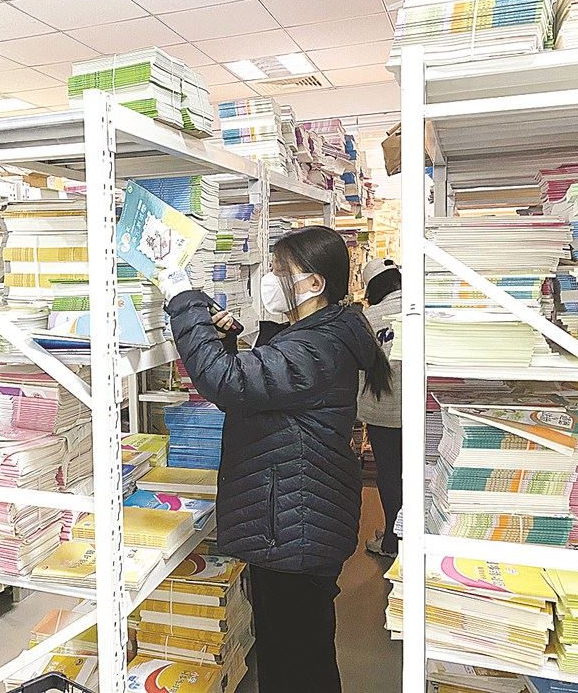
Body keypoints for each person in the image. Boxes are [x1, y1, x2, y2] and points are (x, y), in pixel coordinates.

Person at [159, 226, 393, 693]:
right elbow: (255, 393)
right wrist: (227, 341)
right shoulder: (318, 335)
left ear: (314, 283)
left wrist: (183, 299)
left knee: (295, 658)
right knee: (297, 648)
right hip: (294, 517)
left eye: (279, 270)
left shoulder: (315, 347)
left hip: (292, 525)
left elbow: (226, 381)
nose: (269, 279)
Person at [358, 257, 403, 559]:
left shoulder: (369, 317)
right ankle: (406, 536)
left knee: (389, 474)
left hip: (382, 411)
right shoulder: (420, 307)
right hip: (421, 408)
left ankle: (392, 539)